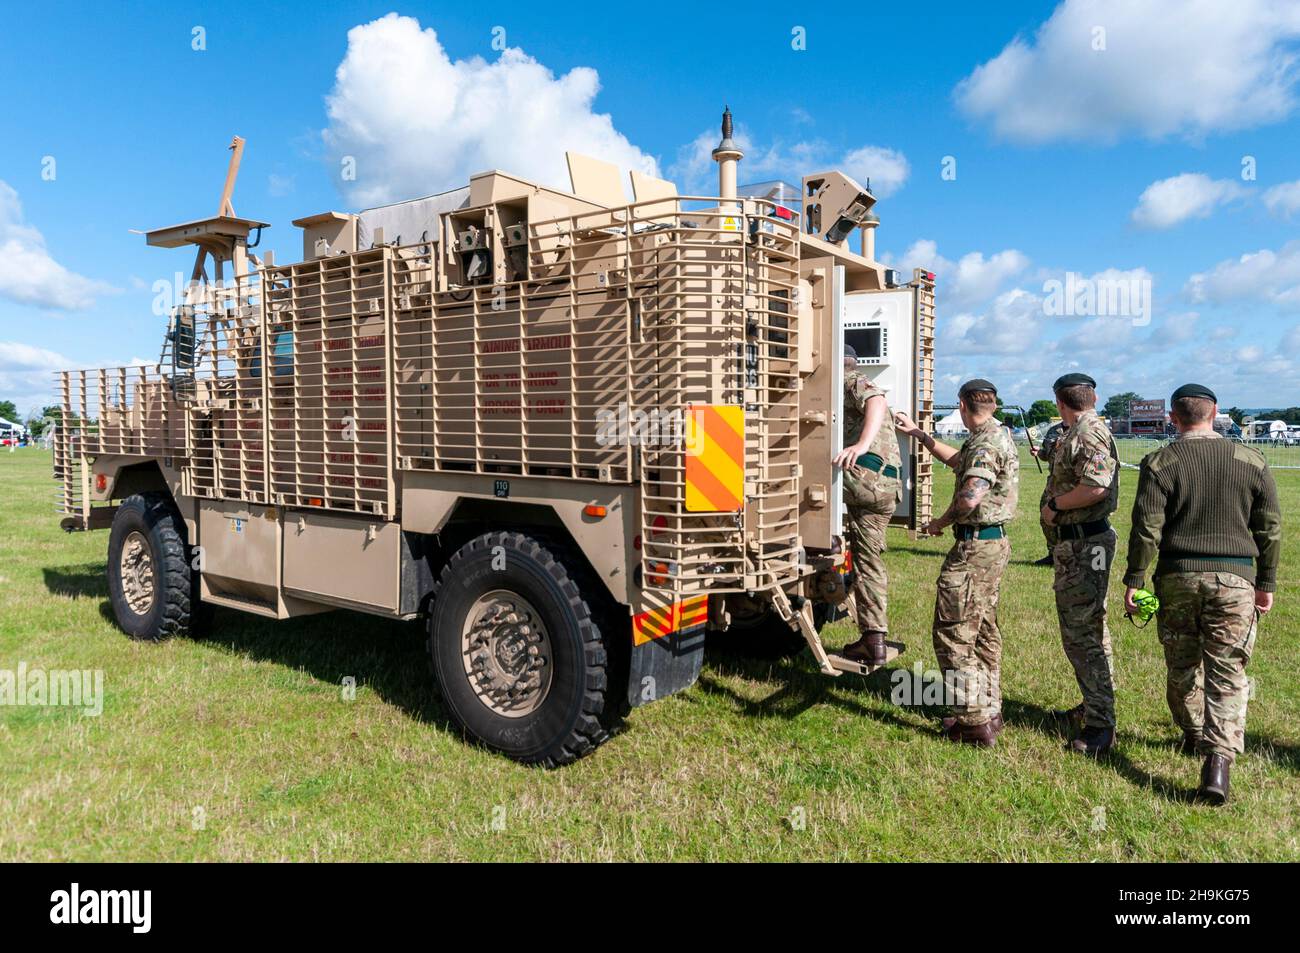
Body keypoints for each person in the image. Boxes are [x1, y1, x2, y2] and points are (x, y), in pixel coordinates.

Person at [1123, 383, 1281, 804]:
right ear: (1215, 413)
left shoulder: (1159, 461)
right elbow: (1269, 530)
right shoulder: (1252, 460)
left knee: (1181, 666)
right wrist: (1265, 583)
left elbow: (1145, 529)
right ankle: (1218, 760)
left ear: (1173, 417)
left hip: (1175, 579)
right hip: (1236, 581)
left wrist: (1135, 580)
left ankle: (1195, 733)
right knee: (1228, 672)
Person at [895, 379, 1019, 747]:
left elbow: (970, 496)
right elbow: (959, 462)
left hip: (974, 549)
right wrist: (922, 436)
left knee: (953, 633)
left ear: (963, 406)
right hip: (992, 545)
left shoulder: (984, 443)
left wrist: (940, 521)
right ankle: (989, 708)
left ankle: (973, 722)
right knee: (982, 630)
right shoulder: (996, 435)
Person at [1040, 373, 1120, 757]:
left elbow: (1096, 486)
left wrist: (1055, 506)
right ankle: (1094, 704)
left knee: (1082, 635)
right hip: (1080, 543)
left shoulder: (1088, 432)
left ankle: (1101, 724)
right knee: (1090, 628)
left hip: (1087, 544)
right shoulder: (1079, 429)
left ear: (1059, 401)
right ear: (1094, 397)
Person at [831, 346, 902, 666]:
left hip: (864, 480)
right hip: (885, 487)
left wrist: (859, 445)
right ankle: (873, 637)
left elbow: (876, 399)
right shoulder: (856, 377)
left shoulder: (850, 379)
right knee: (868, 560)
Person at [1032, 421, 1065, 566]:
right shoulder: (1054, 430)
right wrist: (1038, 452)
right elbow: (1046, 455)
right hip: (1053, 482)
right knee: (1045, 516)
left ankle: (1069, 555)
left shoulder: (1081, 428)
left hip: (1071, 483)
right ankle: (1053, 554)